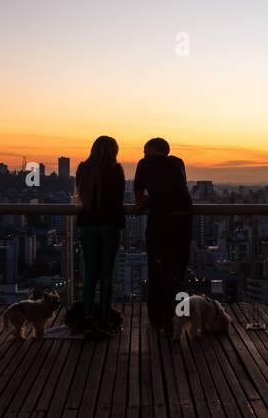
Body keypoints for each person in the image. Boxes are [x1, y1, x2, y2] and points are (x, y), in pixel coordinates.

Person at [133, 137, 192, 336]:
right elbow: (177, 188)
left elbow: (139, 197)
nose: (143, 154)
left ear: (151, 150)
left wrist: (145, 203)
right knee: (176, 272)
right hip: (183, 220)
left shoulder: (144, 164)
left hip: (160, 222)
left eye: (144, 150)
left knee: (157, 269)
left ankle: (156, 318)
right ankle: (172, 319)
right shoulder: (178, 162)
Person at [75, 135, 126, 333]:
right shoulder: (115, 169)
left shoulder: (83, 168)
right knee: (106, 275)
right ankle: (105, 318)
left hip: (88, 224)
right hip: (110, 225)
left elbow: (81, 195)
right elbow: (119, 199)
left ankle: (87, 317)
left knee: (90, 275)